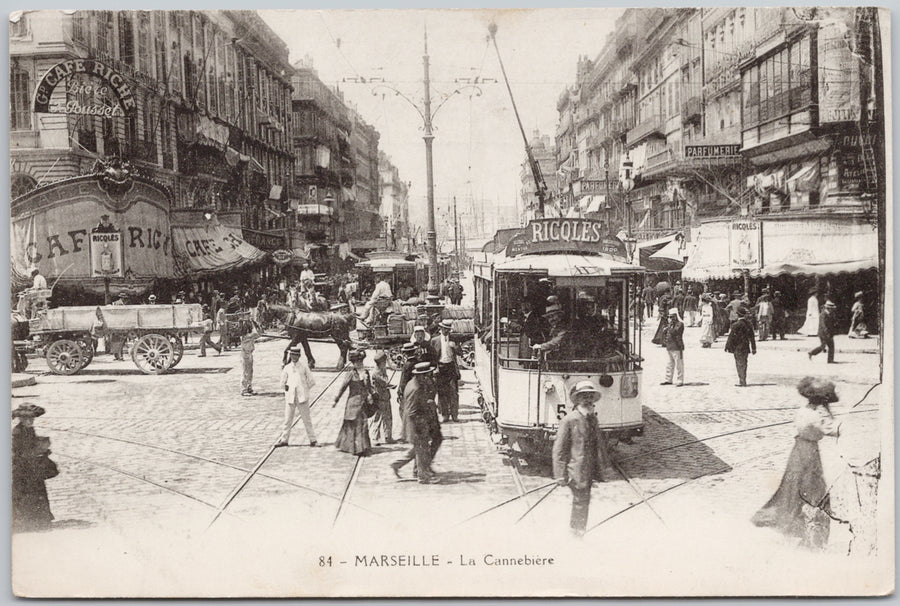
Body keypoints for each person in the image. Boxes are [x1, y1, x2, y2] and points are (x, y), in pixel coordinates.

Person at [751, 377, 841, 549]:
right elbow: (831, 429)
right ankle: (808, 534)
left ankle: (793, 528)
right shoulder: (818, 414)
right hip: (809, 453)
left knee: (792, 488)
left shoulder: (804, 409)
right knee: (814, 492)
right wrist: (829, 414)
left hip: (798, 449)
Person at [552, 381, 614, 537]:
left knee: (583, 500)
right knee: (580, 500)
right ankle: (576, 531)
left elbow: (599, 445)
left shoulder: (592, 419)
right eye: (584, 397)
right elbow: (559, 450)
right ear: (577, 400)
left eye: (590, 397)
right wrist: (560, 475)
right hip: (576, 470)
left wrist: (605, 467)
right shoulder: (569, 420)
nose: (588, 400)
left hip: (590, 468)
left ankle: (579, 529)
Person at [391, 362, 441, 483]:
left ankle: (398, 465)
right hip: (415, 423)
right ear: (422, 375)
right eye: (427, 374)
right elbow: (413, 411)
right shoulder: (416, 388)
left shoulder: (414, 383)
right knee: (421, 447)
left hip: (414, 422)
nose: (429, 376)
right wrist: (422, 424)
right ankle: (422, 476)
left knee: (419, 448)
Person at [12, 404, 58, 532]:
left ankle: (39, 519)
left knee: (37, 491)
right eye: (27, 419)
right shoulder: (18, 432)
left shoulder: (29, 429)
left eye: (32, 418)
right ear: (20, 419)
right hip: (22, 468)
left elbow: (31, 444)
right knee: (28, 493)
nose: (30, 421)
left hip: (32, 466)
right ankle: (28, 521)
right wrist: (37, 452)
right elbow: (20, 452)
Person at [332, 349, 373, 456]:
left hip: (363, 402)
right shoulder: (350, 374)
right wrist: (336, 399)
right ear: (354, 363)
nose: (360, 364)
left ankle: (363, 446)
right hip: (353, 403)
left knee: (362, 424)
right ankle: (353, 447)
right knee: (353, 424)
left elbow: (369, 387)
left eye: (361, 362)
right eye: (358, 362)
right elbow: (343, 388)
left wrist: (370, 395)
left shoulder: (366, 373)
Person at [275, 345, 317, 447]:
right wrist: (287, 390)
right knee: (287, 419)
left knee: (306, 419)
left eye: (296, 355)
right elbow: (282, 382)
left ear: (299, 356)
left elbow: (311, 381)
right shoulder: (287, 368)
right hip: (290, 397)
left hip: (302, 397)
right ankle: (284, 439)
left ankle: (313, 440)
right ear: (290, 355)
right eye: (292, 355)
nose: (294, 357)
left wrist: (304, 390)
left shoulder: (303, 367)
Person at [431, 319, 461, 423]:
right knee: (442, 392)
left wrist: (455, 347)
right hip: (441, 367)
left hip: (451, 367)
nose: (446, 331)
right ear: (441, 329)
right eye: (445, 329)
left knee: (453, 392)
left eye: (448, 329)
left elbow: (460, 352)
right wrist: (435, 368)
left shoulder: (454, 339)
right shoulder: (435, 340)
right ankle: (445, 415)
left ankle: (454, 415)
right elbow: (433, 356)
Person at [724, 305, 756, 387]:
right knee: (744, 363)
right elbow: (752, 337)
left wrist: (727, 346)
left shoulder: (735, 325)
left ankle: (742, 381)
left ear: (738, 315)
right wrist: (753, 348)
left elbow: (731, 337)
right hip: (746, 346)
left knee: (739, 364)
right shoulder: (749, 324)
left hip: (737, 347)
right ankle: (743, 379)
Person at [396, 342, 421, 443]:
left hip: (408, 391)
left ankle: (407, 435)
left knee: (404, 411)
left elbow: (403, 381)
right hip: (417, 389)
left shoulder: (407, 365)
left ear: (406, 353)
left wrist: (400, 392)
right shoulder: (418, 361)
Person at [369, 350, 395, 445]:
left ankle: (388, 436)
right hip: (379, 398)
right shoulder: (376, 372)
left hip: (385, 397)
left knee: (388, 417)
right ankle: (374, 438)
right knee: (377, 418)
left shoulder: (381, 370)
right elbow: (385, 382)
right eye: (385, 362)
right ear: (381, 362)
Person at [660, 308, 684, 386]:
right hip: (669, 346)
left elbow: (675, 332)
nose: (670, 319)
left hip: (677, 346)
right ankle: (668, 379)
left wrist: (670, 326)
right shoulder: (669, 325)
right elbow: (663, 333)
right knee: (669, 364)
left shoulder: (679, 324)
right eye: (669, 317)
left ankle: (680, 379)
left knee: (678, 364)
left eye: (672, 317)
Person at [240, 320, 261, 396]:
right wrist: (254, 325)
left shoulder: (249, 335)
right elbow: (256, 334)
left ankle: (249, 387)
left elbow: (259, 334)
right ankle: (244, 389)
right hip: (245, 354)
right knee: (245, 372)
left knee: (250, 371)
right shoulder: (246, 336)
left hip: (249, 354)